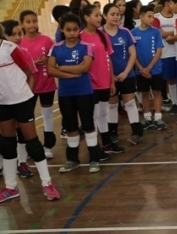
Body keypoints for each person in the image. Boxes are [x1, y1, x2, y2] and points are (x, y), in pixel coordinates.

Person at [0, 23, 59, 203]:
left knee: (32, 142)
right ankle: (11, 187)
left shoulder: (9, 48)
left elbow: (29, 72)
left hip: (21, 100)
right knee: (7, 144)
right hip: (3, 103)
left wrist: (28, 95)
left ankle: (47, 184)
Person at [47, 13, 101, 174]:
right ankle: (72, 159)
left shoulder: (86, 46)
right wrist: (71, 73)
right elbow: (50, 70)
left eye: (75, 29)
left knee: (88, 124)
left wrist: (62, 67)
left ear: (79, 30)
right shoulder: (56, 48)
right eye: (68, 30)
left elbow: (84, 68)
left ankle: (94, 158)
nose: (71, 33)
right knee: (71, 126)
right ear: (62, 30)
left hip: (84, 91)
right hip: (65, 94)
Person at [80, 4, 120, 156]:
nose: (99, 18)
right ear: (86, 17)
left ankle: (107, 143)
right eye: (96, 15)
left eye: (99, 15)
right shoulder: (80, 37)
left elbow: (108, 58)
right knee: (94, 115)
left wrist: (112, 81)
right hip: (89, 84)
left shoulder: (103, 36)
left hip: (104, 82)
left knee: (103, 114)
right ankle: (94, 147)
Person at [101, 3, 142, 144]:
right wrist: (109, 75)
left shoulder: (125, 32)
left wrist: (126, 72)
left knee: (129, 103)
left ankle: (137, 131)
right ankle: (112, 133)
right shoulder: (100, 33)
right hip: (108, 76)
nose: (116, 17)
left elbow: (132, 54)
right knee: (112, 104)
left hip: (127, 75)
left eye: (118, 14)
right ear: (104, 16)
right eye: (112, 14)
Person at [18, 10, 57, 159]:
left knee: (47, 114)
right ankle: (30, 147)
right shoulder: (19, 42)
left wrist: (48, 61)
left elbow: (54, 58)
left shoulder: (46, 40)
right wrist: (34, 63)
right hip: (28, 85)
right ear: (22, 24)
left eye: (34, 21)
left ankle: (48, 145)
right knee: (28, 116)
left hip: (46, 82)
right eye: (28, 22)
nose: (32, 24)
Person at [133, 6, 166, 131]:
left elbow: (158, 51)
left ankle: (158, 117)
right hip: (140, 70)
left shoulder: (156, 32)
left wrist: (149, 68)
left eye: (153, 16)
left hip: (155, 69)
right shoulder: (133, 33)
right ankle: (147, 118)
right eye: (149, 16)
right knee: (144, 93)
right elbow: (133, 53)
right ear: (141, 17)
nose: (152, 19)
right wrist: (142, 68)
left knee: (157, 92)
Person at [152, 0, 177, 114]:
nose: (174, 5)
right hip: (165, 53)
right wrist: (176, 33)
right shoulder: (157, 17)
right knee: (169, 80)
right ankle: (174, 102)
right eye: (173, 3)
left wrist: (174, 34)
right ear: (168, 3)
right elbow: (160, 33)